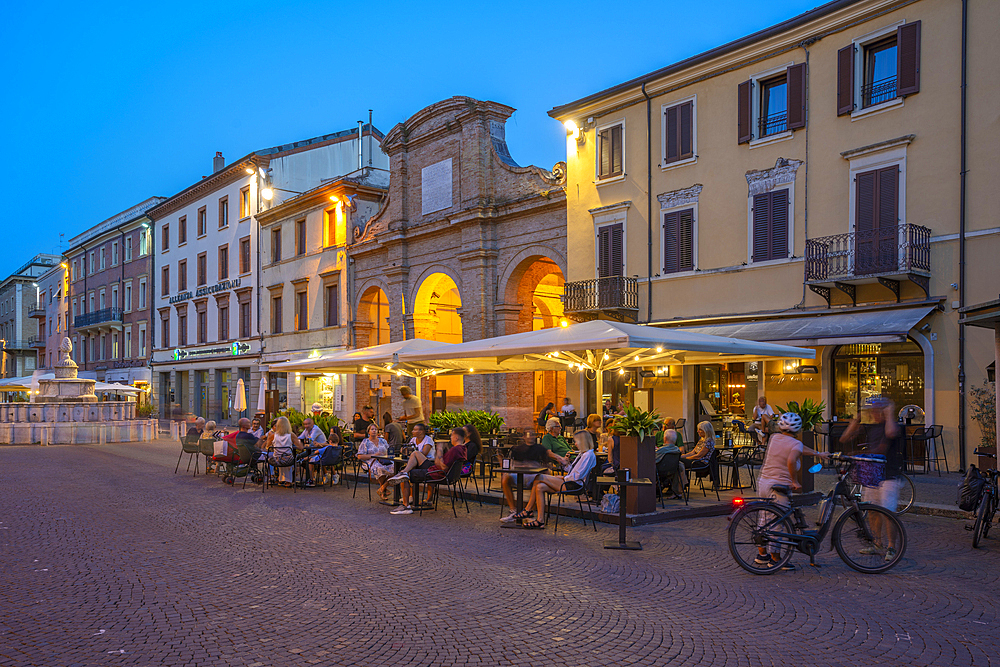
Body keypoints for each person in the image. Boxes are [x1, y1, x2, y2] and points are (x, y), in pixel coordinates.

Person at [754, 412, 826, 570]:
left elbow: (799, 448)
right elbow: (792, 459)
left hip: (764, 483)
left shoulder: (774, 438)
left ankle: (762, 555)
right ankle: (776, 560)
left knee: (764, 518)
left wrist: (817, 453)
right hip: (779, 486)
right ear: (799, 429)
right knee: (777, 522)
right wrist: (795, 481)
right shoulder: (795, 444)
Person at [841, 397, 905, 560]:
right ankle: (877, 543)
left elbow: (890, 434)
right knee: (871, 511)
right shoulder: (871, 427)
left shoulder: (894, 426)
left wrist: (890, 414)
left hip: (889, 475)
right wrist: (857, 419)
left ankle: (891, 547)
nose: (875, 413)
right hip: (872, 475)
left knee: (888, 512)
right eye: (873, 410)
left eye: (879, 410)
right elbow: (844, 438)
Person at [515, 440, 598, 529]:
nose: (575, 444)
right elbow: (573, 472)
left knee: (538, 477)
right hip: (570, 482)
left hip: (573, 485)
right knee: (539, 487)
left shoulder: (588, 455)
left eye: (577, 441)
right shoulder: (582, 454)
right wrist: (566, 463)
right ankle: (540, 520)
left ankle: (528, 510)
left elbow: (577, 476)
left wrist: (563, 478)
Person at [392, 427, 467, 515]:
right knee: (416, 453)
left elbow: (442, 466)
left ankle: (406, 506)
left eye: (451, 436)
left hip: (437, 474)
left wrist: (439, 451)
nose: (450, 438)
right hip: (437, 470)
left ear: (456, 437)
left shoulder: (455, 449)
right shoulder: (463, 448)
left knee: (405, 476)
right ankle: (404, 471)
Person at [499, 438, 552, 523]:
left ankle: (529, 512)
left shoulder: (540, 449)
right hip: (520, 474)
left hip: (533, 476)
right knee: (505, 477)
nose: (530, 436)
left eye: (532, 433)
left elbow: (547, 466)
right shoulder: (517, 449)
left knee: (539, 481)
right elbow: (512, 464)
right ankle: (513, 511)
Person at [262, 416, 301, 487]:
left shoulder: (273, 435)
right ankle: (288, 481)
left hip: (276, 459)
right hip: (288, 459)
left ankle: (281, 479)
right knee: (289, 458)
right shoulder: (291, 435)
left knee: (280, 457)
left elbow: (267, 447)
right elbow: (300, 447)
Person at [356, 424, 393, 499]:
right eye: (372, 429)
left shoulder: (383, 441)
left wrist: (386, 454)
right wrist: (374, 455)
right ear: (368, 432)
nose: (374, 431)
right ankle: (383, 491)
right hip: (370, 461)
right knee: (379, 468)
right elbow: (360, 456)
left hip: (384, 460)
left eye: (375, 429)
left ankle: (382, 488)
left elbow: (390, 452)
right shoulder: (365, 442)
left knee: (396, 467)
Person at [655, 429, 686, 499]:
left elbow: (654, 461)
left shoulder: (660, 451)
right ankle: (677, 491)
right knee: (680, 466)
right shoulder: (677, 450)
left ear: (665, 438)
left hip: (660, 471)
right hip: (672, 471)